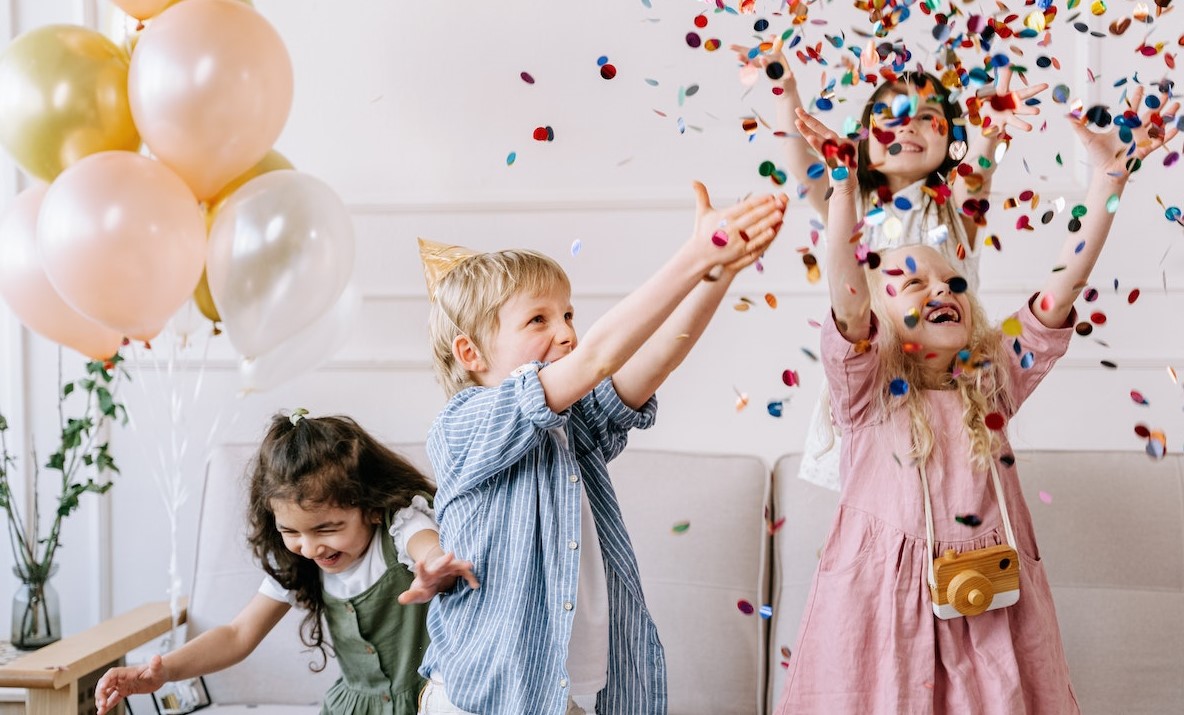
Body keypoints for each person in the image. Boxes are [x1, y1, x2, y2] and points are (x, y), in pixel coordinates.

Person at [774, 86, 1177, 712]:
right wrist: (846, 191)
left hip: (993, 618)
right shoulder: (865, 392)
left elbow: (1061, 288)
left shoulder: (990, 380)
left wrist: (1108, 185)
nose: (941, 288)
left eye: (952, 281)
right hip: (881, 624)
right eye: (911, 281)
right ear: (879, 315)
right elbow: (847, 294)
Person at [416, 183, 787, 715]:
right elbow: (596, 360)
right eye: (538, 320)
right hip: (482, 697)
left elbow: (651, 361)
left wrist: (717, 272)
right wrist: (696, 252)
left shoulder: (566, 429)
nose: (566, 333)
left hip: (561, 694)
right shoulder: (463, 426)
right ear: (470, 352)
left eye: (568, 315)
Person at [735, 40, 1046, 491]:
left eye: (926, 116)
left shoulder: (955, 209)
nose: (908, 126)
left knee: (948, 505)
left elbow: (978, 173)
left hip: (947, 391)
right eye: (892, 117)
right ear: (864, 144)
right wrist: (785, 85)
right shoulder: (852, 204)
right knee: (874, 518)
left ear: (951, 139)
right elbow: (800, 164)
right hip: (872, 392)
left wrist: (992, 132)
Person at [94, 411, 479, 715]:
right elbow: (237, 635)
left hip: (426, 702)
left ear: (371, 507)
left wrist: (434, 566)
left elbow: (426, 547)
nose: (310, 547)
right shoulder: (300, 566)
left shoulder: (401, 523)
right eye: (291, 532)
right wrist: (164, 671)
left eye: (327, 528)